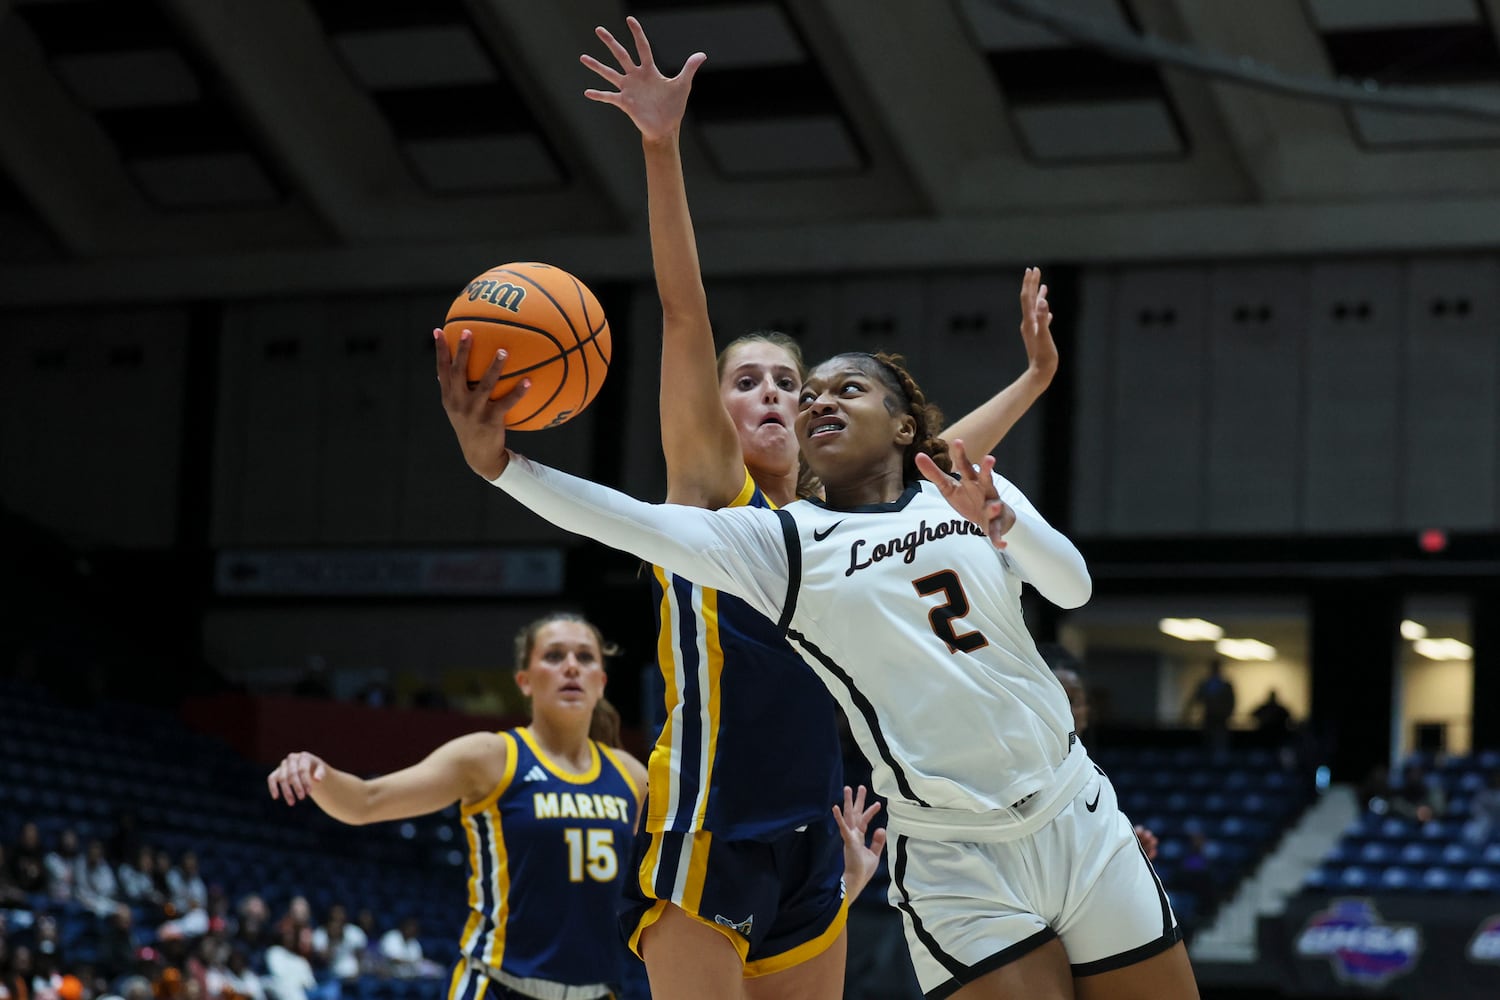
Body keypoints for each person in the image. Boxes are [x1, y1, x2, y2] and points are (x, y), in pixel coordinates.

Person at [438, 340, 1198, 999]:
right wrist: (502, 467)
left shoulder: (965, 493)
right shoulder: (786, 546)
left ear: (905, 425)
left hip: (1078, 815)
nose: (817, 401)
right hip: (954, 855)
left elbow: (1074, 587)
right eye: (811, 396)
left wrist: (1003, 522)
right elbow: (628, 520)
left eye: (846, 388)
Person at [573, 17, 1061, 999]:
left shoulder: (843, 527)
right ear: (714, 411)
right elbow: (681, 313)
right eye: (742, 380)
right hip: (707, 830)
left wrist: (1037, 375)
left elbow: (941, 459)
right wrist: (662, 149)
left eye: (782, 382)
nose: (763, 393)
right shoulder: (712, 496)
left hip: (812, 840)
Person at [265, 613, 650, 1000]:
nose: (571, 666)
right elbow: (368, 801)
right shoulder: (491, 756)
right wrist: (320, 774)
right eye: (553, 655)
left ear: (601, 681)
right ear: (524, 680)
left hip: (600, 992)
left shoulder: (632, 776)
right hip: (496, 987)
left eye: (585, 657)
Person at [1051, 667, 1158, 860]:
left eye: (1072, 700)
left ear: (1087, 711)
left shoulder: (1095, 777)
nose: (1063, 709)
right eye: (1054, 698)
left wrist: (1124, 845)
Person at [1189, 661, 1234, 753]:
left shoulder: (1226, 685)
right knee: (1208, 742)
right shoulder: (1206, 684)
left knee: (1220, 742)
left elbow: (1231, 702)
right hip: (1209, 717)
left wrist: (1227, 714)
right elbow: (1196, 699)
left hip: (1221, 718)